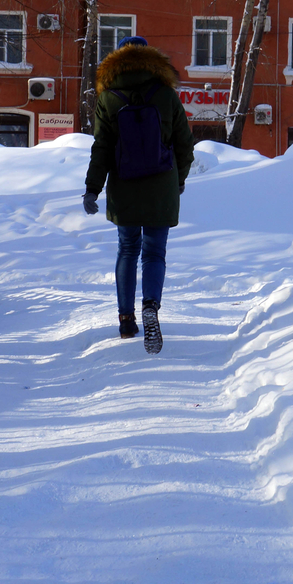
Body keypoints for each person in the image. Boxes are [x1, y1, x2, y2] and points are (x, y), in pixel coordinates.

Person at [83, 36, 195, 353]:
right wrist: (179, 179)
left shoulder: (108, 98)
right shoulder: (166, 94)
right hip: (162, 185)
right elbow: (185, 143)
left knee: (128, 249)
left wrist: (93, 189)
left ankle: (125, 319)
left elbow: (101, 148)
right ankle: (151, 306)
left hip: (124, 185)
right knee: (155, 252)